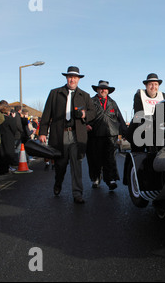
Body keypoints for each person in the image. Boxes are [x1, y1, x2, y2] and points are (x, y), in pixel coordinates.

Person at [38, 66, 95, 204]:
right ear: (66, 78)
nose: (72, 79)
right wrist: (43, 132)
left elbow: (93, 113)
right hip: (59, 134)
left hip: (77, 134)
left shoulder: (85, 96)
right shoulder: (55, 93)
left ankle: (77, 194)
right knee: (60, 165)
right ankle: (58, 183)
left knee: (77, 165)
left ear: (78, 79)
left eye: (75, 77)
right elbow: (47, 114)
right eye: (70, 77)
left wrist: (84, 114)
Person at [86, 80, 127, 191]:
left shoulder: (113, 102)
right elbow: (85, 116)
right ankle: (96, 178)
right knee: (95, 158)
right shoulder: (91, 101)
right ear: (97, 90)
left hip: (110, 135)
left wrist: (125, 132)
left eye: (105, 89)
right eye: (101, 88)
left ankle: (111, 180)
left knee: (110, 159)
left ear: (108, 91)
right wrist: (86, 124)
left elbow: (120, 118)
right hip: (95, 135)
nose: (103, 90)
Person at [126, 73, 165, 152]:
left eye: (156, 84)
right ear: (146, 86)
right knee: (138, 153)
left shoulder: (163, 96)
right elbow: (139, 112)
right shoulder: (139, 95)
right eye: (151, 84)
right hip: (140, 128)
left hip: (156, 129)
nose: (153, 87)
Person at [0, 103, 17, 175]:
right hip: (8, 137)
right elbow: (14, 128)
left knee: (1, 153)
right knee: (8, 153)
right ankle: (6, 168)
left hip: (0, 136)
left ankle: (1, 169)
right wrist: (14, 118)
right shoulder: (9, 119)